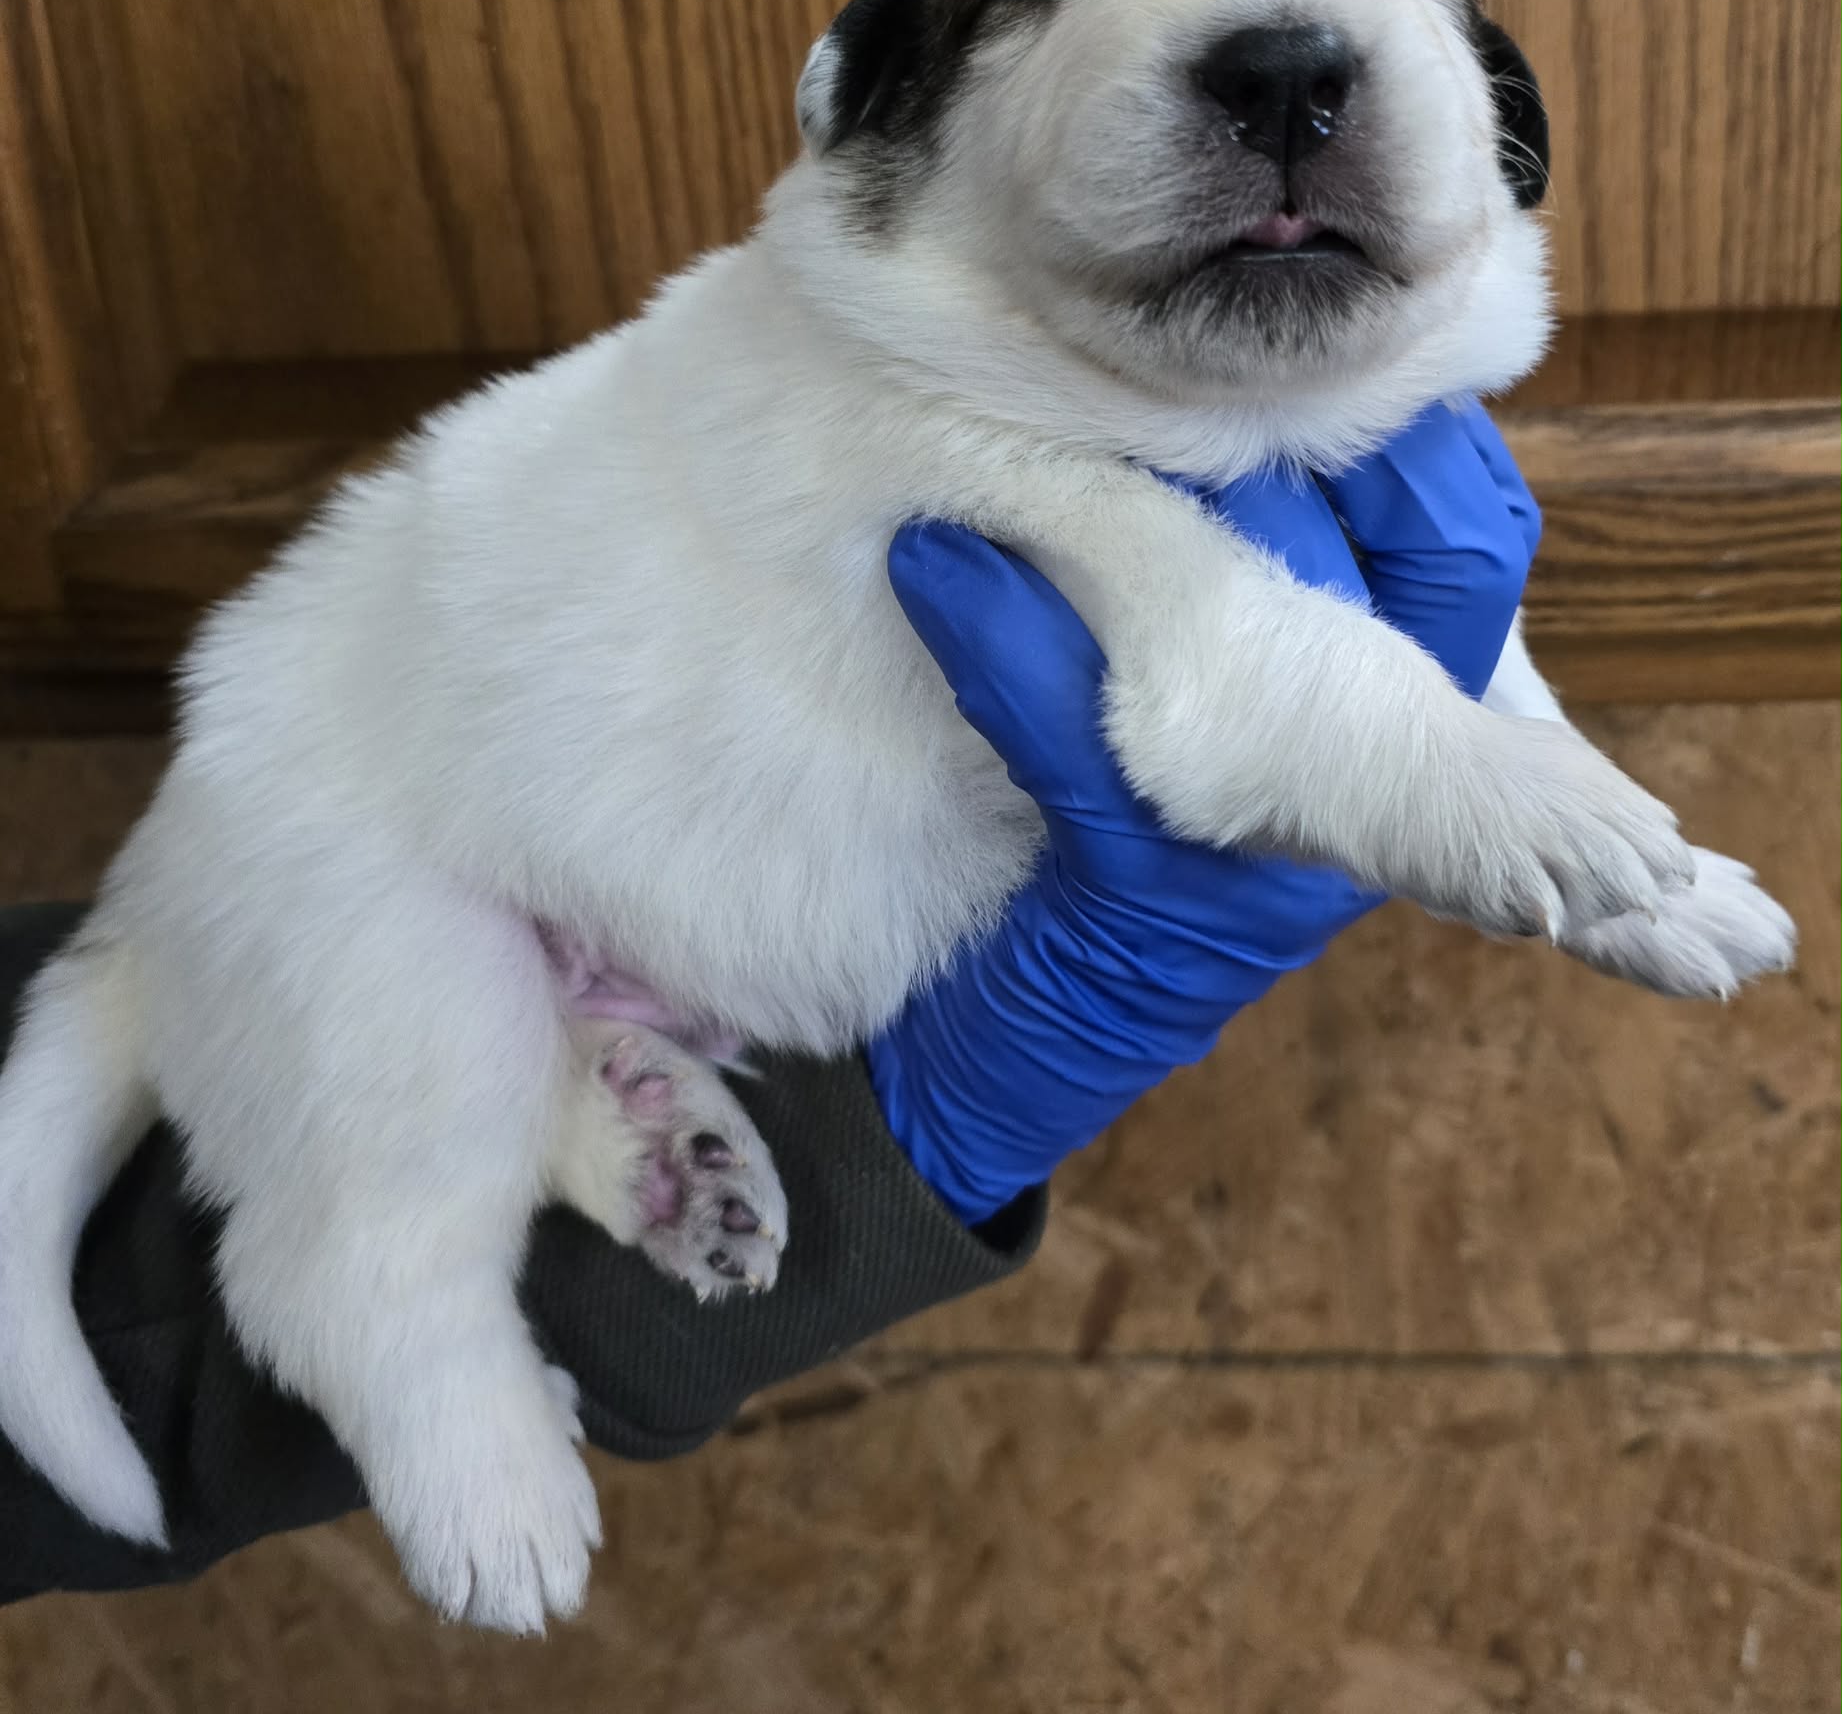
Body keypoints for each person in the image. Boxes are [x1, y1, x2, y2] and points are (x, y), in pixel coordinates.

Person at [0, 401, 1537, 1604]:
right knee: (410, 994)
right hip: (387, 836)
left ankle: (571, 1093)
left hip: (558, 880)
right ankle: (390, 1312)